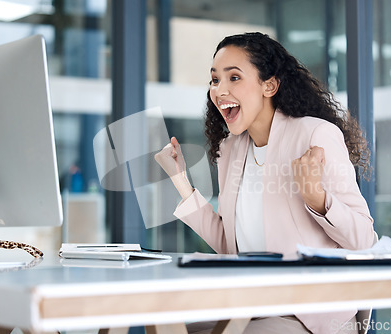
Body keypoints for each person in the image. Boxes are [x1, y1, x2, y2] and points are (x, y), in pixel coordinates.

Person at [155, 32, 376, 334]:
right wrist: (179, 180)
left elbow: (365, 241)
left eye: (234, 77)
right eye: (215, 80)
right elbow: (230, 245)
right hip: (250, 303)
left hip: (309, 313)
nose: (219, 90)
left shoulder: (315, 135)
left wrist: (318, 200)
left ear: (269, 85)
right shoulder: (231, 150)